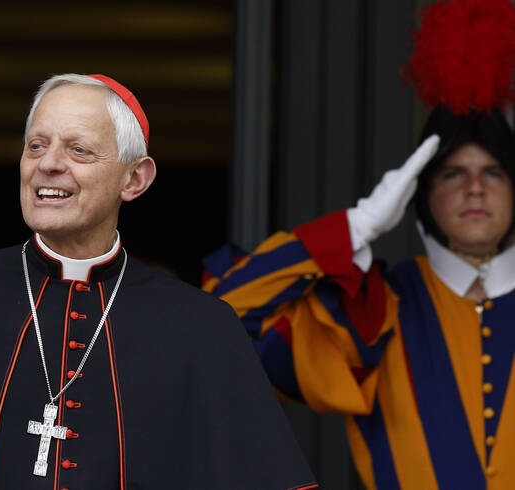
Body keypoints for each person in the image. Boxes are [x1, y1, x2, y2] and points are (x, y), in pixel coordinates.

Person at [0, 74, 317, 490]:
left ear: (135, 180)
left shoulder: (202, 327)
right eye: (36, 145)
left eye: (79, 149)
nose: (49, 163)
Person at [203, 1, 515, 488]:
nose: (475, 188)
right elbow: (222, 321)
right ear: (418, 192)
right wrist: (356, 226)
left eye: (493, 173)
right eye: (453, 173)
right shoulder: (379, 306)